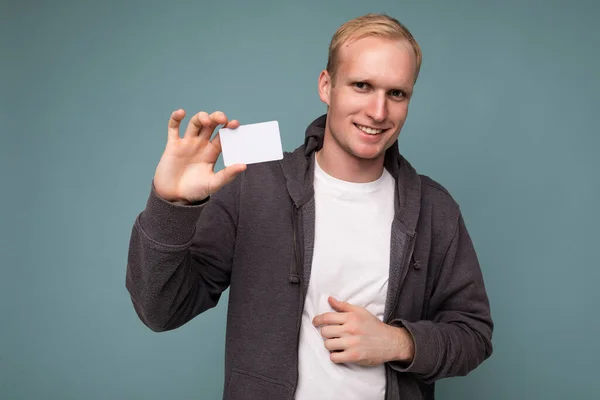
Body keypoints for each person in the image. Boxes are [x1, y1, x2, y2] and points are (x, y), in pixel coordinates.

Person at [126, 13, 493, 400]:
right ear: (326, 85)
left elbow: (474, 335)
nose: (378, 112)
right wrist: (171, 205)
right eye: (362, 86)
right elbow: (160, 310)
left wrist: (399, 342)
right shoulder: (256, 186)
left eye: (396, 93)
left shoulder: (434, 209)